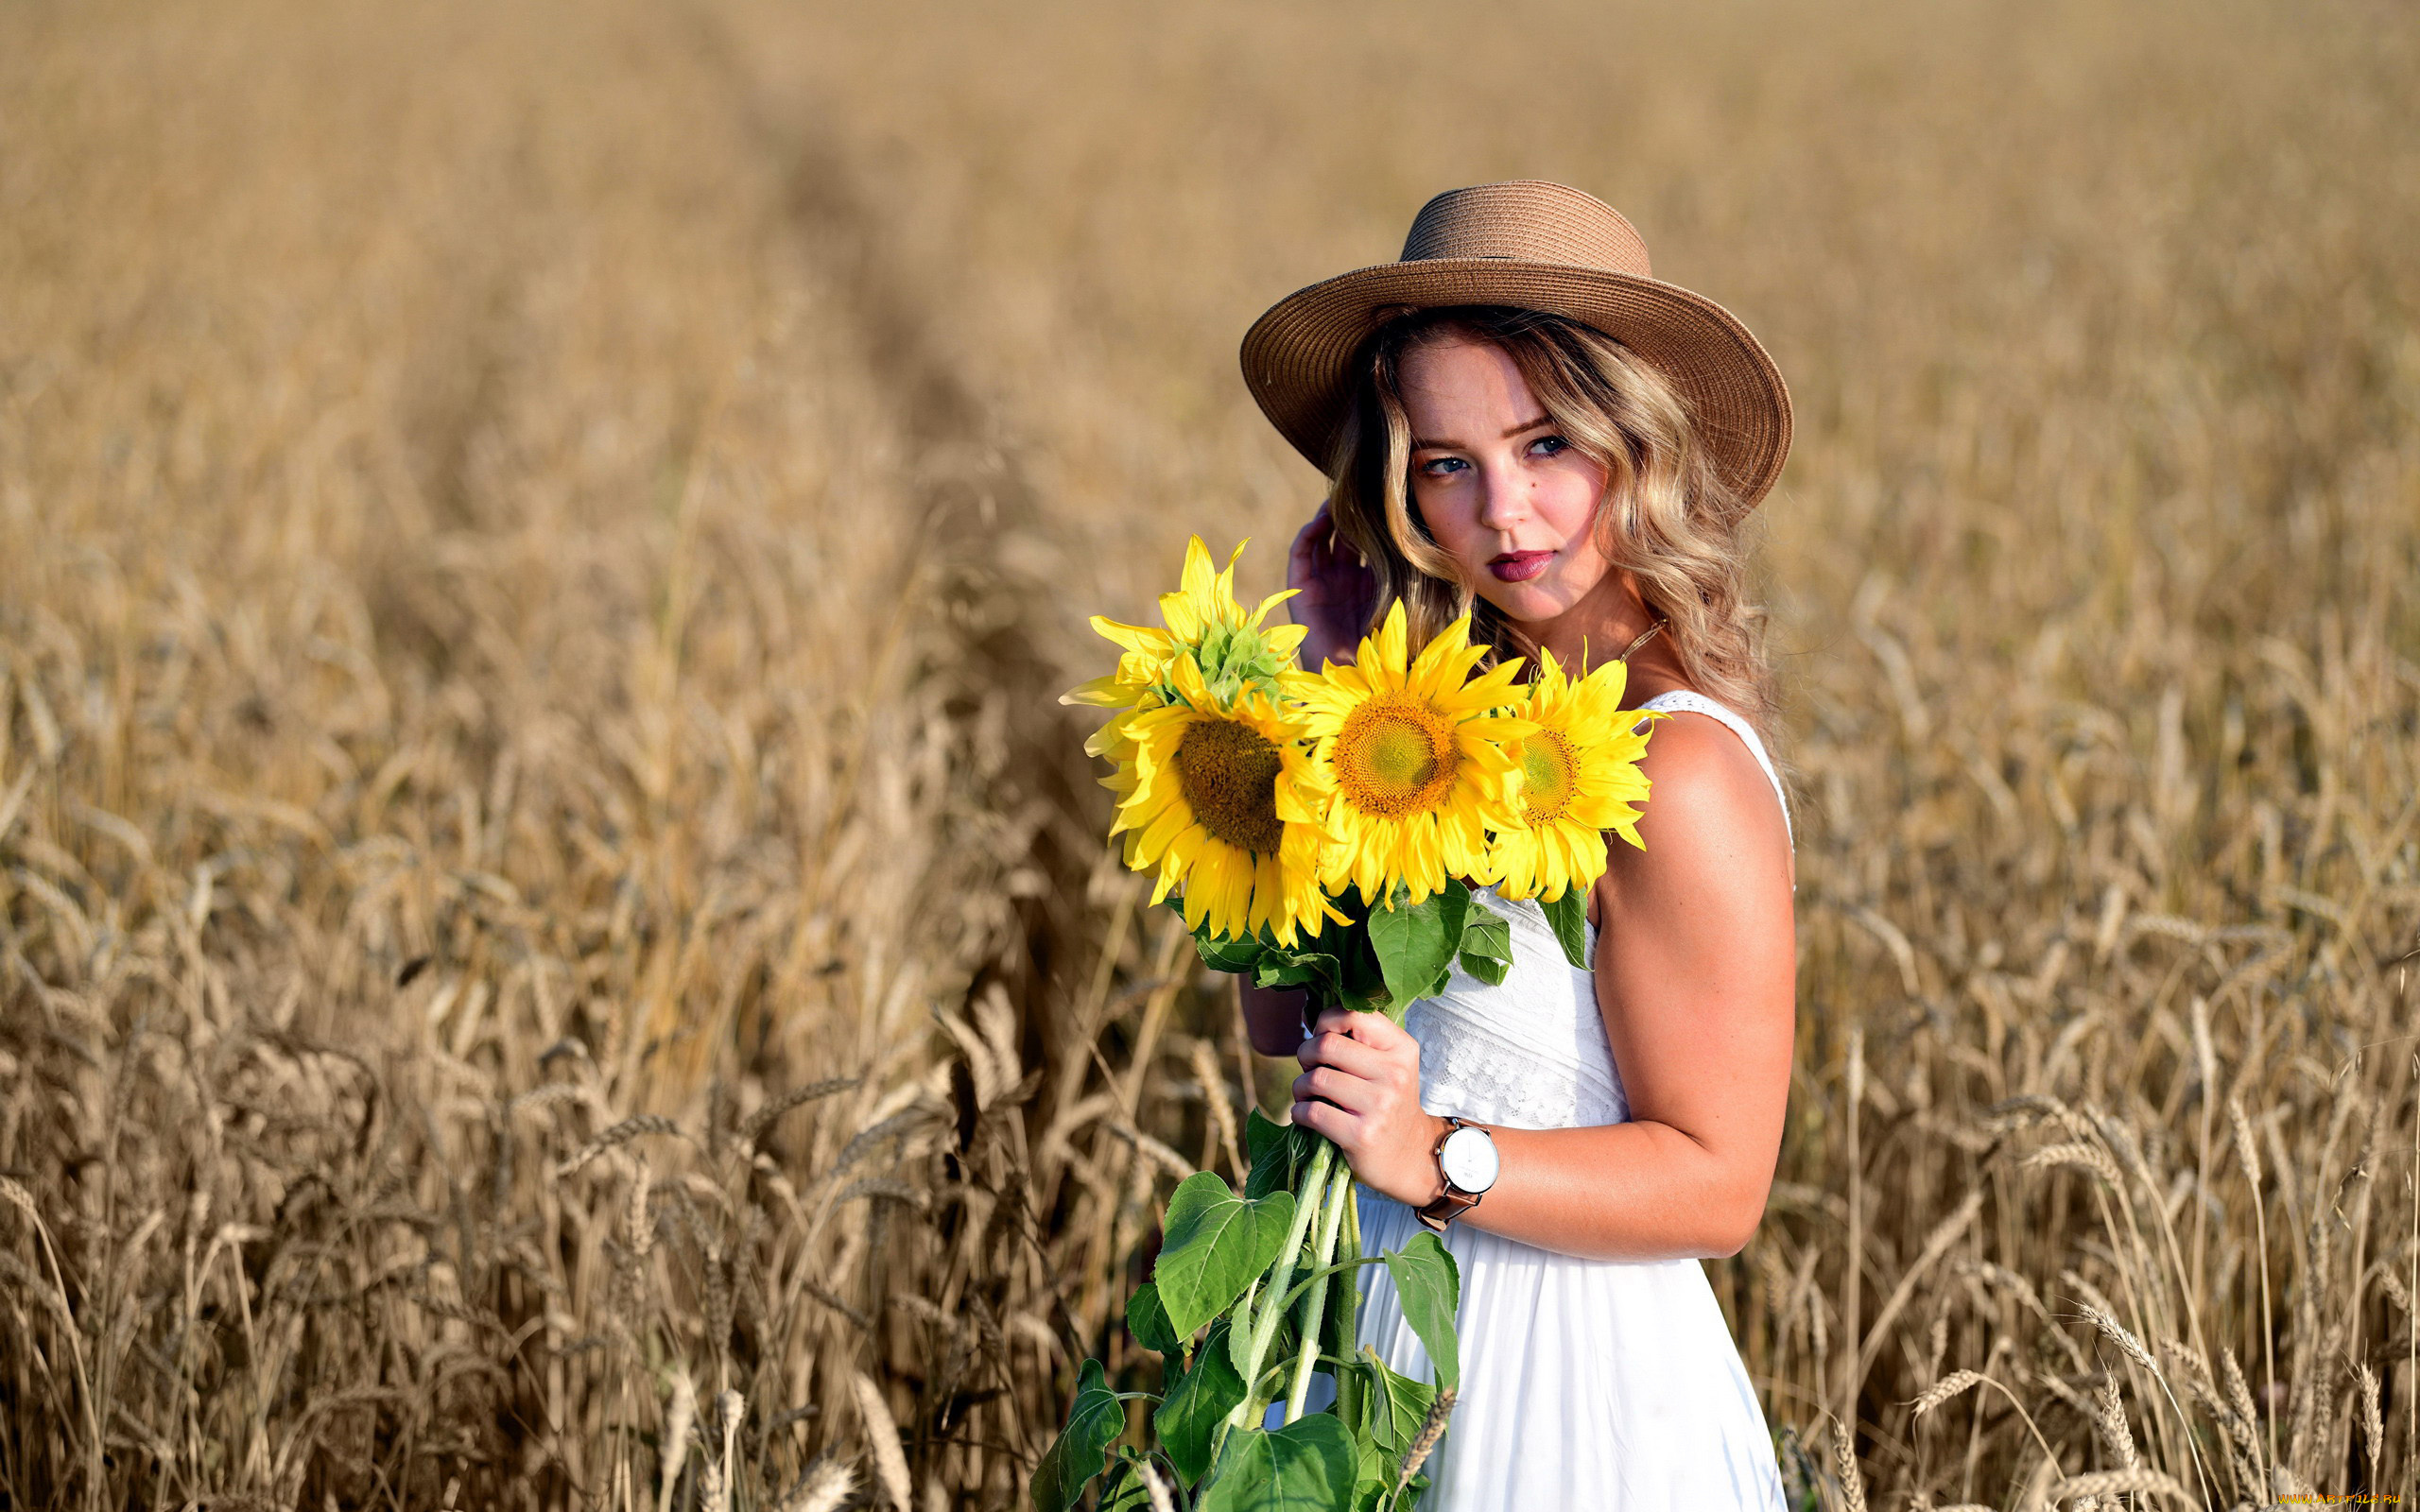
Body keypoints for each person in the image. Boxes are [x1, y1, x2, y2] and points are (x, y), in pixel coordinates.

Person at [1235, 180, 1797, 1509]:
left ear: (1637, 441)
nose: (1505, 513)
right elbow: (1279, 1012)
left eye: (1547, 446)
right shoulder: (1450, 718)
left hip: (1570, 1400)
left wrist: (1435, 1153)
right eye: (1448, 463)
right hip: (1378, 1345)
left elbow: (1721, 1186)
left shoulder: (1679, 766)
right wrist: (1330, 678)